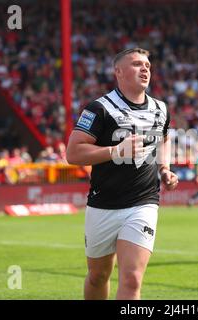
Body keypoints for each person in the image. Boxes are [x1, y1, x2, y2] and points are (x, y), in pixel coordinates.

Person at [66, 48, 178, 300]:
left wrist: (164, 168)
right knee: (98, 276)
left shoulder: (160, 109)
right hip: (103, 204)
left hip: (143, 203)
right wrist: (115, 150)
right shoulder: (99, 109)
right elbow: (73, 154)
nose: (145, 68)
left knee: (131, 279)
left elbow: (164, 137)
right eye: (137, 64)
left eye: (147, 64)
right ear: (118, 72)